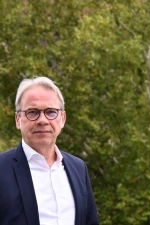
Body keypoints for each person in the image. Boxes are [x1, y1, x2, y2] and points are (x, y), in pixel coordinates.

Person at [0, 77, 99, 225]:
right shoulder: (2, 168)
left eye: (51, 112)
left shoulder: (78, 168)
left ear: (63, 119)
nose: (42, 120)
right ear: (18, 119)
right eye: (32, 112)